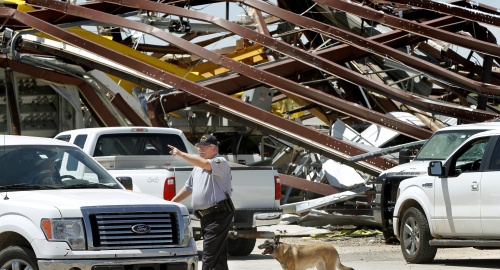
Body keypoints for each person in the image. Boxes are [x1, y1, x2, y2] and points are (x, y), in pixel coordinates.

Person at [168, 134, 233, 270]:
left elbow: (204, 164)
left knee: (209, 256)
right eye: (199, 147)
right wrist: (171, 203)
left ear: (214, 149)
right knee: (218, 257)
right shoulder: (197, 167)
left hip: (218, 215)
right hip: (206, 216)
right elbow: (188, 188)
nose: (200, 149)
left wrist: (180, 153)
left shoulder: (220, 162)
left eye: (204, 147)